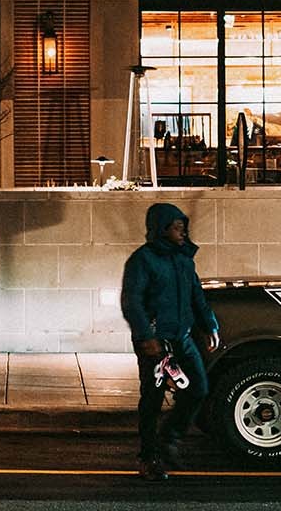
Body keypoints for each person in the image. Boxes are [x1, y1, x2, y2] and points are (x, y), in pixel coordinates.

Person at [120, 203, 219, 480]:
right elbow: (132, 302)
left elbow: (196, 295)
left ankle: (169, 438)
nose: (183, 232)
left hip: (182, 338)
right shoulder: (143, 260)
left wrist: (209, 325)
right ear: (162, 229)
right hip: (155, 343)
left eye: (184, 227)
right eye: (177, 227)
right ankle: (149, 457)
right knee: (152, 400)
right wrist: (146, 337)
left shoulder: (184, 259)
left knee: (198, 388)